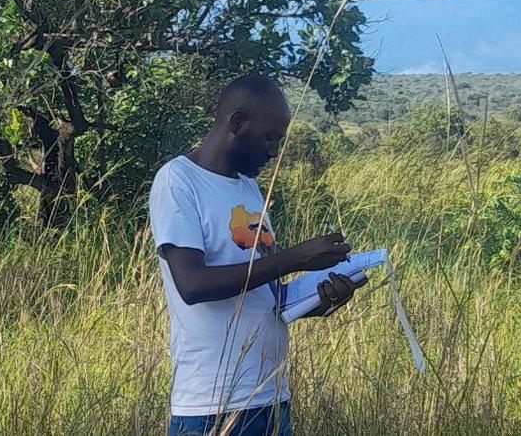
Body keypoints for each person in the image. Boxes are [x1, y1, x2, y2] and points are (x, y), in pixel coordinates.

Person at [149, 73, 369, 436]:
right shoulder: (178, 180)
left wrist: (320, 299)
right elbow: (192, 285)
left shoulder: (249, 188)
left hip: (270, 396)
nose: (274, 151)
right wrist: (295, 258)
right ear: (237, 123)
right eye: (270, 138)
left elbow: (265, 295)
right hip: (212, 405)